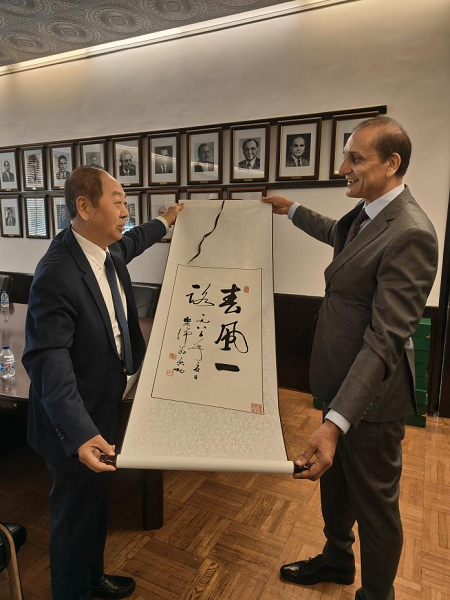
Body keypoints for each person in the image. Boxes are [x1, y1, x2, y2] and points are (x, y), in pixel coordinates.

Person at [263, 116, 438, 600]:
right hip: (340, 384)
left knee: (376, 505)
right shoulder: (368, 214)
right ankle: (338, 560)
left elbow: (385, 340)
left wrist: (335, 422)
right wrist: (292, 210)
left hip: (372, 400)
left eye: (355, 159)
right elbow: (337, 234)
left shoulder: (411, 233)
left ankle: (377, 593)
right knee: (336, 485)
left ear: (391, 162)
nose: (343, 168)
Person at [23, 166, 183, 599]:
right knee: (74, 516)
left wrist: (166, 220)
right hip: (72, 421)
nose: (126, 211)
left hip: (103, 403)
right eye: (118, 202)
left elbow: (134, 240)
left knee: (96, 505)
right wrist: (79, 433)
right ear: (85, 206)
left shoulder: (104, 250)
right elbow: (48, 360)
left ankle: (93, 580)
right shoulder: (56, 272)